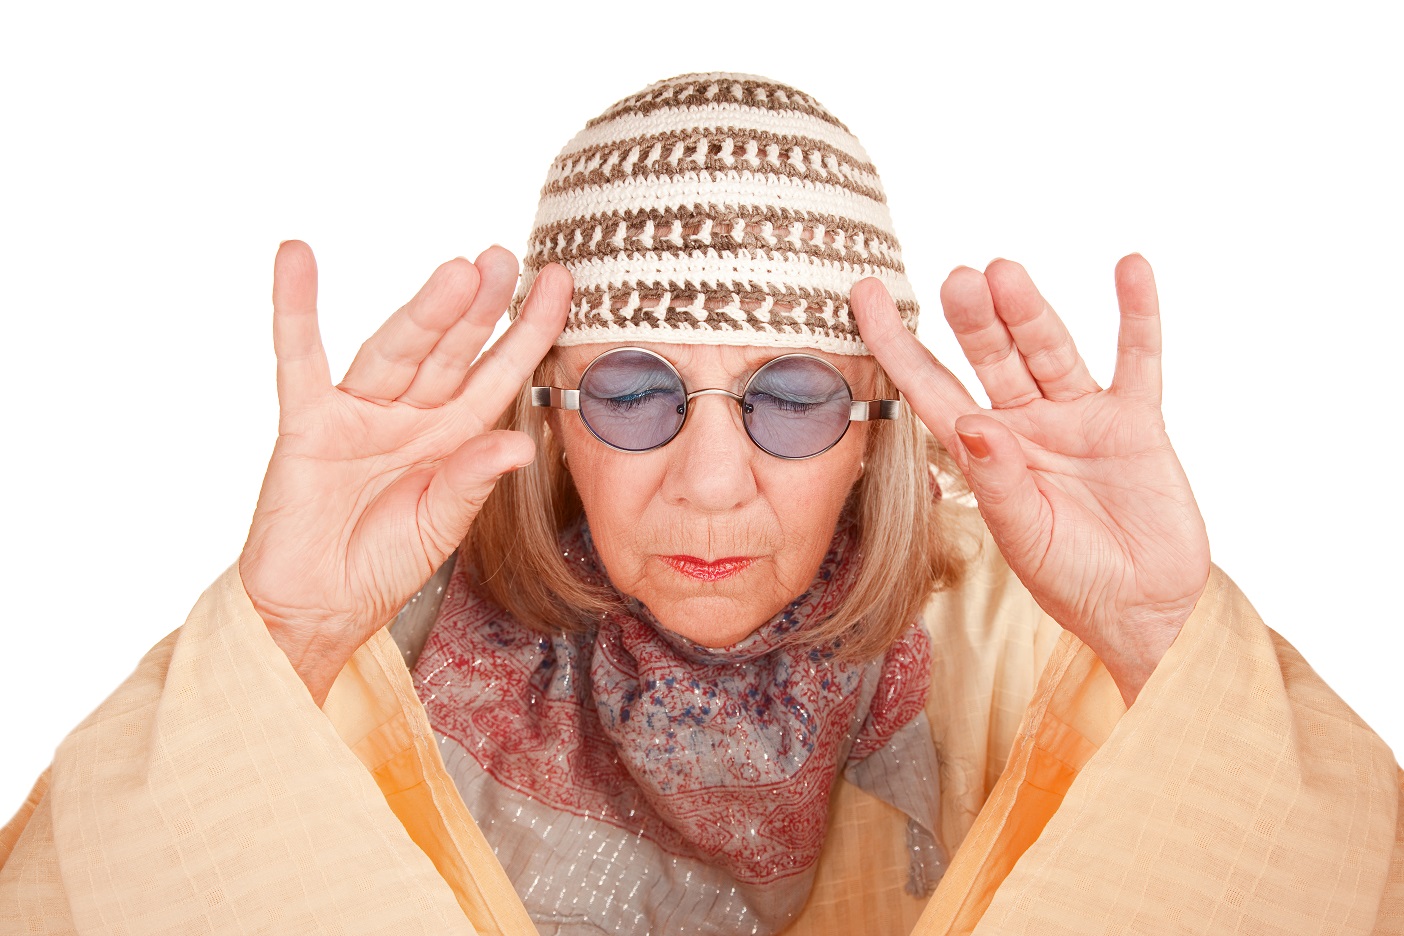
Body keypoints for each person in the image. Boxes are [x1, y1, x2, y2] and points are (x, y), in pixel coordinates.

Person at [1, 73, 1399, 935]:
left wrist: (1163, 636)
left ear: (876, 427)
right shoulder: (387, 636)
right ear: (547, 415)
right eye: (632, 391)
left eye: (791, 396)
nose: (712, 483)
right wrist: (286, 634)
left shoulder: (1020, 647)